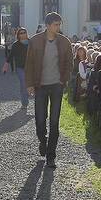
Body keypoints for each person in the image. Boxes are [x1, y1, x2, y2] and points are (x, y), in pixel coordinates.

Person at [23, 13, 73, 169]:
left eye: (59, 24)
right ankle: (42, 140)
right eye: (56, 25)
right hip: (40, 85)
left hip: (56, 85)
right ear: (48, 25)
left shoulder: (64, 42)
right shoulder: (36, 41)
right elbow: (29, 63)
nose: (58, 27)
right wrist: (30, 84)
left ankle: (51, 156)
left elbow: (69, 63)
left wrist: (63, 80)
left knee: (54, 121)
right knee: (39, 119)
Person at [4, 27, 30, 111]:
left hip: (30, 67)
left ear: (26, 33)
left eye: (24, 32)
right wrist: (6, 64)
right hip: (20, 68)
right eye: (21, 33)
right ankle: (25, 103)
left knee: (29, 85)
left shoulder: (31, 43)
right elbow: (11, 55)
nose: (23, 34)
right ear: (18, 35)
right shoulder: (16, 44)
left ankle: (27, 93)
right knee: (23, 83)